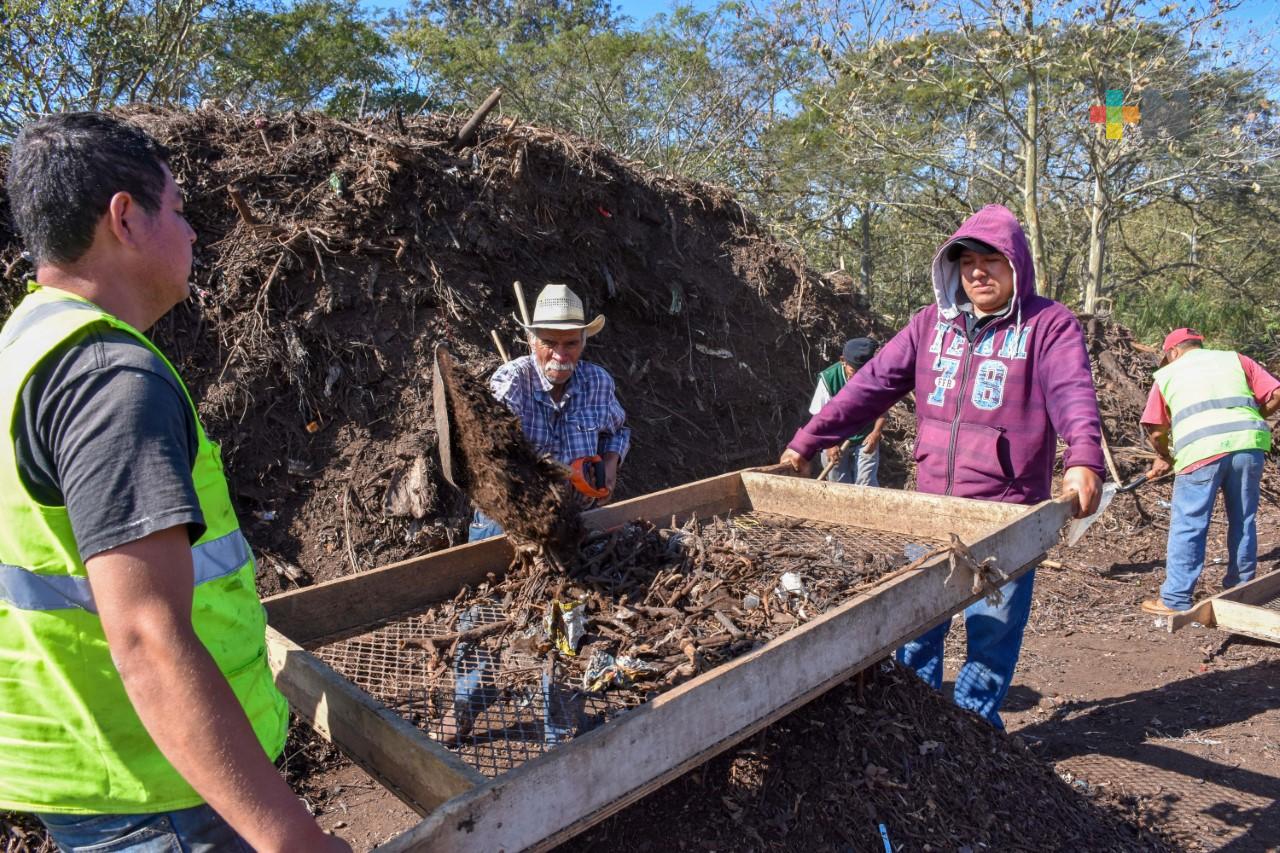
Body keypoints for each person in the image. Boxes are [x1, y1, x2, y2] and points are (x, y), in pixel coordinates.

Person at [0, 113, 348, 852]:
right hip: (164, 797)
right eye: (180, 210)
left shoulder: (24, 346)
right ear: (125, 218)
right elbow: (147, 635)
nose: (192, 233)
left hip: (94, 764)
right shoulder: (108, 379)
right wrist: (292, 839)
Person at [779, 204, 1104, 729]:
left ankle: (974, 732)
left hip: (1006, 514)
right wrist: (809, 439)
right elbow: (870, 386)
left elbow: (1072, 392)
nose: (978, 272)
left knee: (992, 632)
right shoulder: (930, 325)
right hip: (929, 509)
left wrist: (1083, 457)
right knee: (915, 624)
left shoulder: (1048, 325)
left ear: (1016, 264)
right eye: (967, 262)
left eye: (991, 261)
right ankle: (915, 728)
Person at [467, 283, 631, 542]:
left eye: (571, 344)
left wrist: (610, 465)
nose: (560, 355)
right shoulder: (512, 381)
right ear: (532, 341)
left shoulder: (597, 383)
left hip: (578, 519)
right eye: (549, 343)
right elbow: (491, 447)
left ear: (583, 342)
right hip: (508, 522)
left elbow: (617, 432)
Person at [1139, 328, 1280, 616]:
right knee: (1244, 520)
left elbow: (1156, 430)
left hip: (1200, 451)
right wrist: (1254, 416)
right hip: (1248, 445)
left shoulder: (1168, 374)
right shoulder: (1235, 359)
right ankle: (1240, 593)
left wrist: (1163, 455)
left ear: (1173, 352)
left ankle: (1175, 599)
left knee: (1189, 524)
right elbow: (1276, 393)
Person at [809, 337, 887, 485]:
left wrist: (876, 432)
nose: (857, 377)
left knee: (866, 483)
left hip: (865, 436)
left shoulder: (875, 377)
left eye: (861, 372)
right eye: (853, 371)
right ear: (843, 360)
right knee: (837, 483)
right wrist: (829, 444)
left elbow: (883, 408)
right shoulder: (829, 379)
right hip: (834, 437)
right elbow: (818, 417)